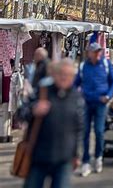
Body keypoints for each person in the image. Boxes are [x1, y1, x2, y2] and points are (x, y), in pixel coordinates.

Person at [22, 59, 83, 188]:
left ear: (73, 78)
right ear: (54, 75)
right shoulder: (42, 92)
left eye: (68, 74)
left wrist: (76, 154)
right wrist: (34, 109)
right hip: (39, 156)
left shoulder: (77, 98)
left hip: (64, 159)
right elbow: (21, 113)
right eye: (61, 73)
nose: (64, 77)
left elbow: (78, 128)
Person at [75, 43, 113, 177]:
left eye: (99, 51)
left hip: (101, 103)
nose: (98, 54)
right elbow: (76, 83)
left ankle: (98, 157)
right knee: (85, 132)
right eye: (95, 51)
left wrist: (108, 95)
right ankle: (86, 161)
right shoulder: (83, 66)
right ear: (89, 53)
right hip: (86, 103)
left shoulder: (106, 64)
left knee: (99, 131)